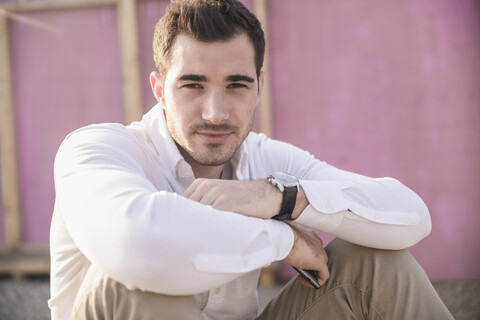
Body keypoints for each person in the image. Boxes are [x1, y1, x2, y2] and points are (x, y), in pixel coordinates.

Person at [49, 0, 454, 319]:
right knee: (124, 283)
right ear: (159, 89)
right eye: (192, 85)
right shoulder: (98, 150)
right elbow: (133, 245)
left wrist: (278, 198)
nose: (215, 113)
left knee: (373, 263)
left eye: (236, 85)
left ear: (259, 87)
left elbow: (411, 216)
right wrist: (283, 240)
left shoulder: (264, 159)